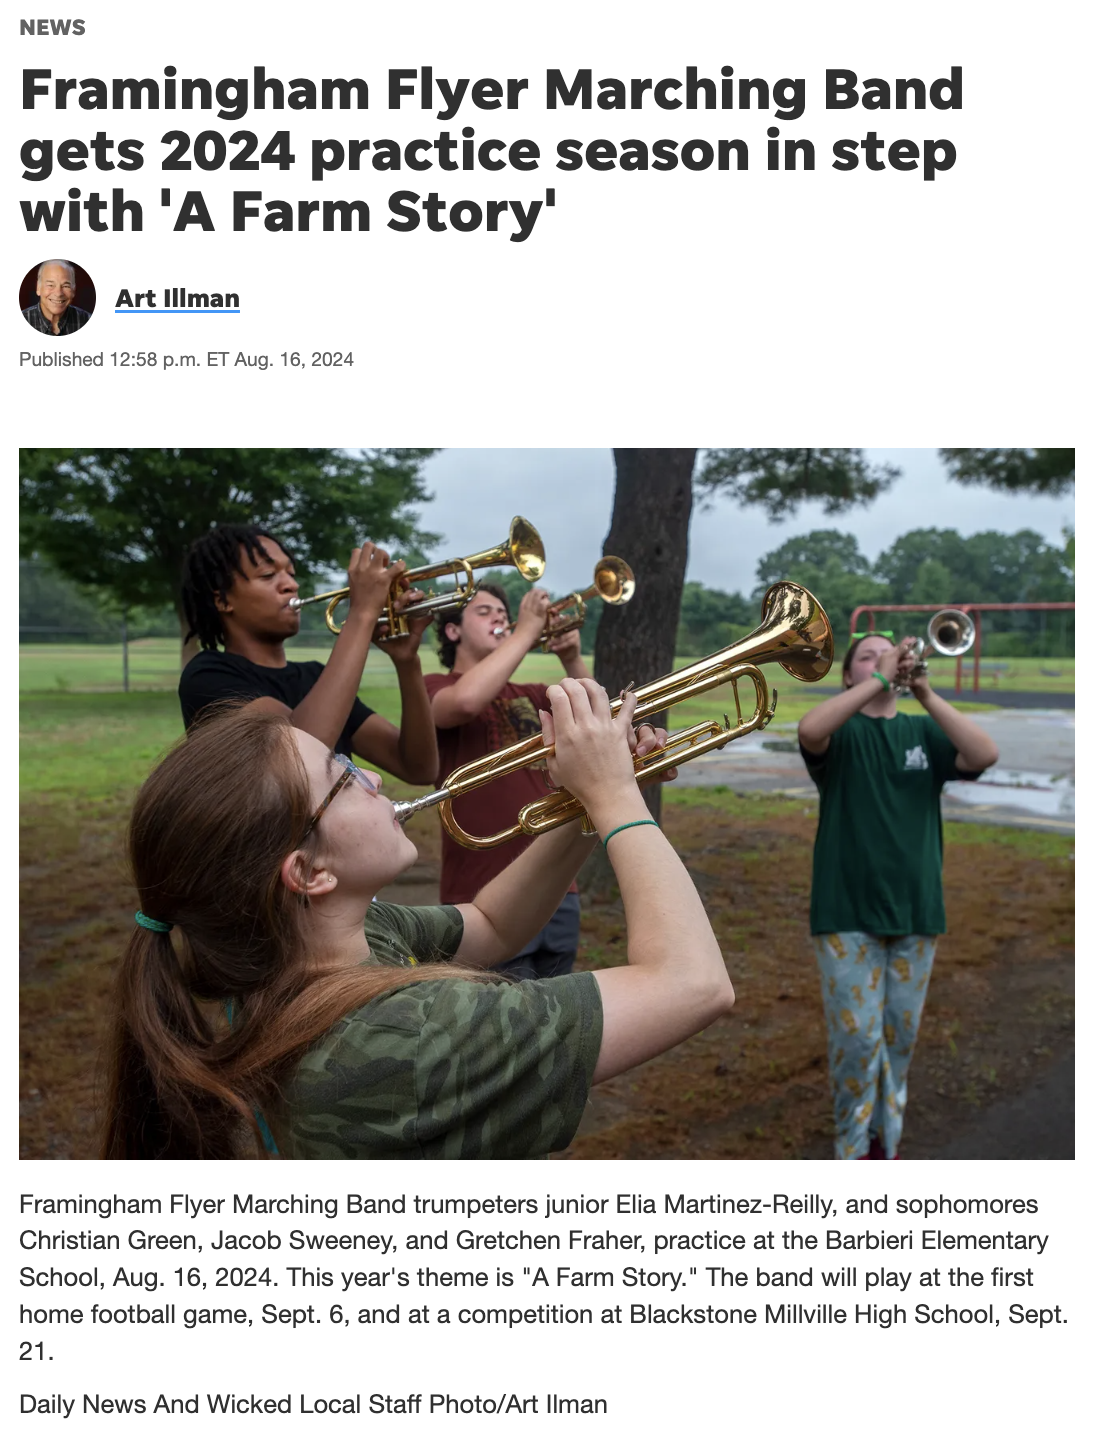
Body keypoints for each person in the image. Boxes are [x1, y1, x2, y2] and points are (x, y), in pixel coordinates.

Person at [102, 682, 733, 1159]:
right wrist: (618, 797)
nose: (373, 777)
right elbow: (692, 984)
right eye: (342, 778)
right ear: (309, 872)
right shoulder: (394, 1039)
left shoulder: (320, 949)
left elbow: (494, 923)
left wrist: (581, 802)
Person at [797, 632, 1000, 1161]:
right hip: (845, 910)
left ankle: (886, 1142)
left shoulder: (921, 730)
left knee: (898, 1041)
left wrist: (925, 691)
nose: (882, 660)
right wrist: (884, 679)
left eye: (889, 654)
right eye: (867, 657)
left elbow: (985, 753)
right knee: (857, 1041)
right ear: (848, 677)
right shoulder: (840, 734)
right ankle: (852, 1148)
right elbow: (810, 729)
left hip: (916, 909)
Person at [178, 524, 438, 784]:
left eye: (291, 573)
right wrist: (362, 613)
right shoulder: (207, 676)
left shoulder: (316, 677)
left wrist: (407, 662)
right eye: (268, 575)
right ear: (223, 600)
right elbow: (299, 760)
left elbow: (418, 768)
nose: (291, 584)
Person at [424, 583, 591, 979]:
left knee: (558, 1025)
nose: (499, 615)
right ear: (453, 631)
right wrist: (525, 632)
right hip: (480, 896)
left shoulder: (533, 693)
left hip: (558, 889)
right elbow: (464, 704)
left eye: (503, 610)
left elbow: (595, 719)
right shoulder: (436, 687)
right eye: (484, 612)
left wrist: (572, 658)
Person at [22, 260, 91, 335]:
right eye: (50, 285)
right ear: (38, 288)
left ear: (73, 290)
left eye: (65, 286)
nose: (58, 293)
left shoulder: (87, 320)